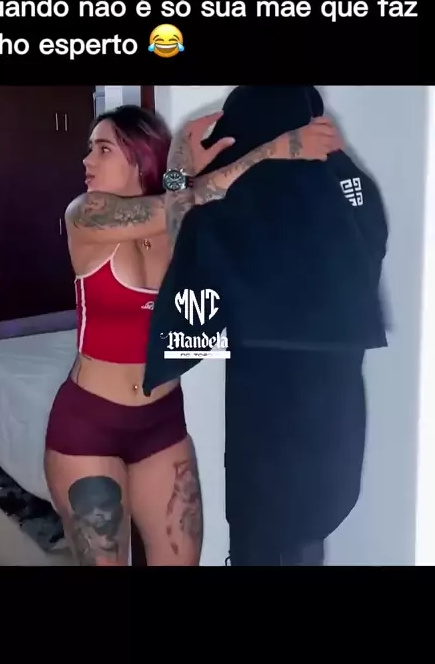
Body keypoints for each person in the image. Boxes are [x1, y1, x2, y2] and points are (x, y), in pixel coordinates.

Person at [44, 104, 343, 567]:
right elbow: (178, 203)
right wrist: (271, 152)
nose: (86, 160)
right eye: (90, 149)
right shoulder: (84, 215)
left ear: (138, 158)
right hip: (88, 424)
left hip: (161, 424)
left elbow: (188, 206)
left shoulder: (176, 221)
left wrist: (181, 171)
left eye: (102, 149)